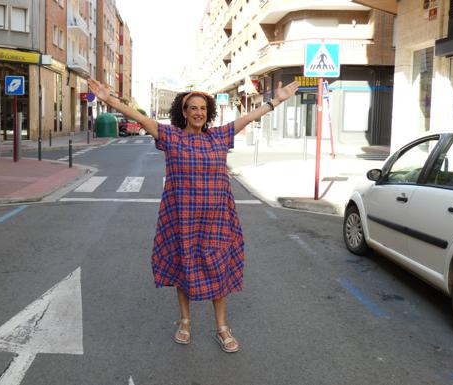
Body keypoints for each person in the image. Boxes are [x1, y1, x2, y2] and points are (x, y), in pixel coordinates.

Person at [87, 78, 299, 353]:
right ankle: (185, 321)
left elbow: (249, 116)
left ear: (208, 113)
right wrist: (111, 100)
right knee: (184, 267)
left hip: (217, 219)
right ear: (184, 112)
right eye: (193, 108)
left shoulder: (219, 136)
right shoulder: (170, 137)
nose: (198, 112)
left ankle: (222, 327)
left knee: (218, 268)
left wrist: (277, 100)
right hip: (182, 218)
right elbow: (137, 116)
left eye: (202, 108)